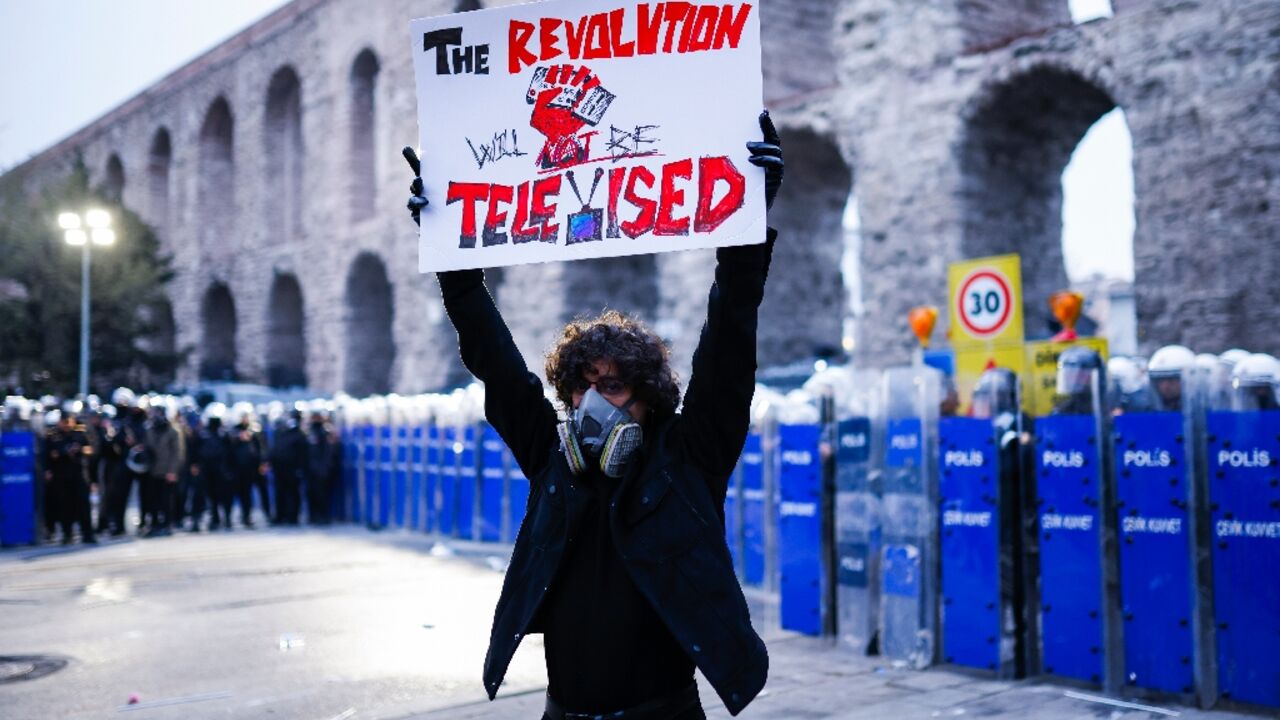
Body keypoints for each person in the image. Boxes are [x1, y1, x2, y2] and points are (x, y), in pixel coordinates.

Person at [404, 112, 784, 719]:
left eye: (611, 386)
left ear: (647, 395)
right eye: (580, 388)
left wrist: (747, 229)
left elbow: (729, 343)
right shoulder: (552, 460)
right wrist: (452, 260)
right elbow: (497, 365)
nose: (591, 403)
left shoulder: (691, 456)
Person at [42, 409, 97, 545]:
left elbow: (91, 450)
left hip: (79, 474)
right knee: (64, 506)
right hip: (61, 475)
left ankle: (88, 534)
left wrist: (79, 450)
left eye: (69, 422)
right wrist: (63, 452)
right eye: (64, 422)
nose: (66, 425)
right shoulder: (53, 435)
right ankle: (67, 534)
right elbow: (49, 454)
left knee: (83, 505)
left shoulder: (80, 433)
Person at [143, 403, 185, 537]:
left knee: (166, 500)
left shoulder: (173, 431)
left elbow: (177, 452)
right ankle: (154, 524)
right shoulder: (149, 430)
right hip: (152, 470)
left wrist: (172, 471)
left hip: (166, 471)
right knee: (152, 499)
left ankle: (167, 525)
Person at [191, 405, 234, 531]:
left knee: (223, 495)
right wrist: (194, 464)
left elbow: (230, 453)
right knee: (204, 495)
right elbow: (194, 450)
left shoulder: (224, 435)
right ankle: (204, 519)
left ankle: (225, 518)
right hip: (205, 469)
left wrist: (229, 469)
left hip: (221, 469)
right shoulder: (202, 434)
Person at [229, 402, 270, 527]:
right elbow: (230, 449)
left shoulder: (256, 429)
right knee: (244, 492)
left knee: (263, 491)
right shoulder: (235, 430)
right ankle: (246, 516)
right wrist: (238, 438)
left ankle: (268, 514)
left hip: (256, 467)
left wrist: (263, 462)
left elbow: (263, 447)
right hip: (242, 468)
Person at [270, 408, 309, 525]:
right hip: (280, 468)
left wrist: (300, 469)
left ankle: (293, 516)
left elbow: (303, 454)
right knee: (280, 492)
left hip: (293, 469)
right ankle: (281, 515)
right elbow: (275, 450)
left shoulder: (300, 434)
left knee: (293, 493)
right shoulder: (281, 432)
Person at [1051, 346, 1105, 416]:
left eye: (1077, 374)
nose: (1070, 378)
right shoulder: (1063, 410)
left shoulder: (1108, 408)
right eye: (1067, 372)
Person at [1147, 344, 1196, 412]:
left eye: (1171, 380)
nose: (1165, 386)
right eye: (1160, 380)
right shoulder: (1143, 410)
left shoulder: (1205, 410)